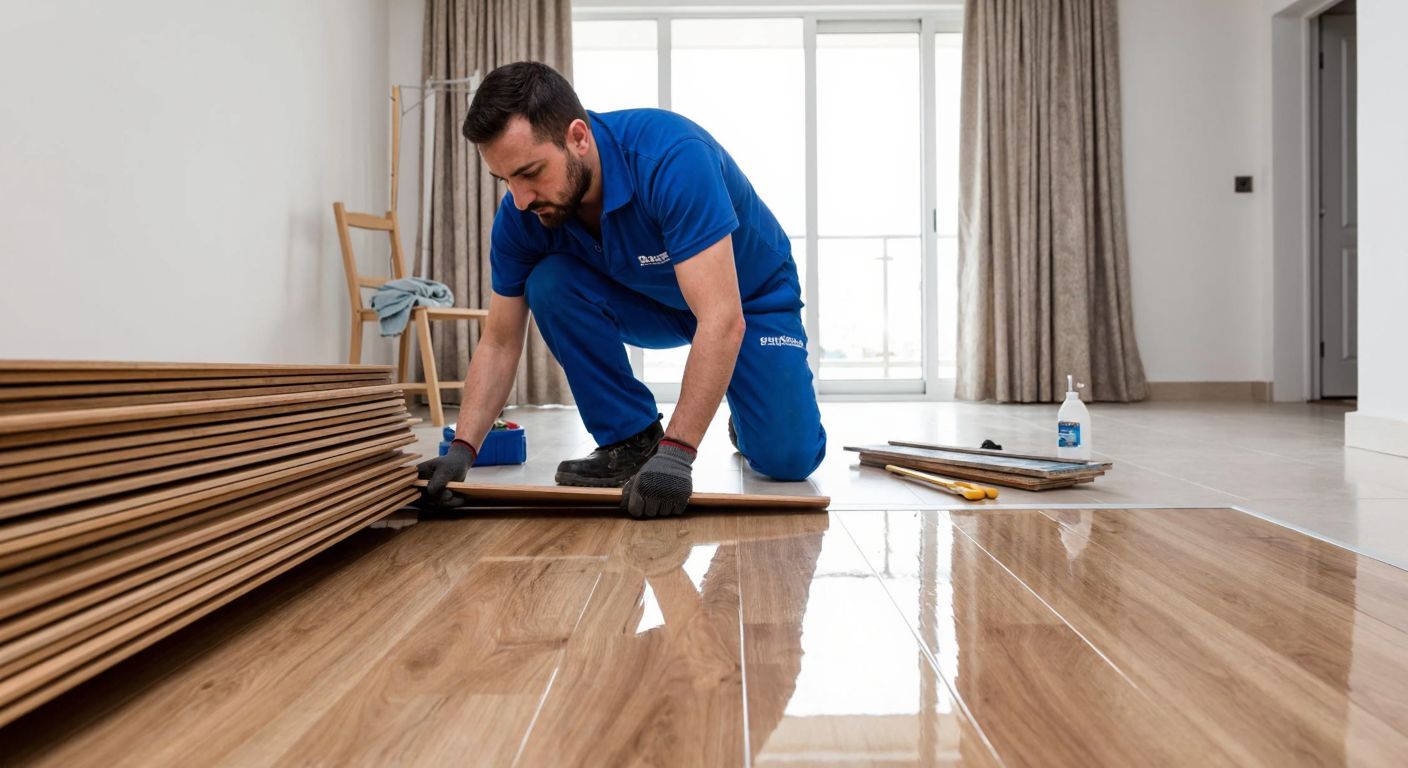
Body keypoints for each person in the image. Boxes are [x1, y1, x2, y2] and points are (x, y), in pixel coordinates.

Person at [417, 61, 826, 519]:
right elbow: (499, 340)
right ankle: (631, 438)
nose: (520, 198)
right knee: (549, 282)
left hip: (748, 300)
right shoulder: (524, 215)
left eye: (530, 172)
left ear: (578, 137)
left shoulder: (672, 159)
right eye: (505, 180)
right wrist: (463, 449)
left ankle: (748, 416)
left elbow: (722, 318)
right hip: (647, 298)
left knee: (788, 460)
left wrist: (677, 454)